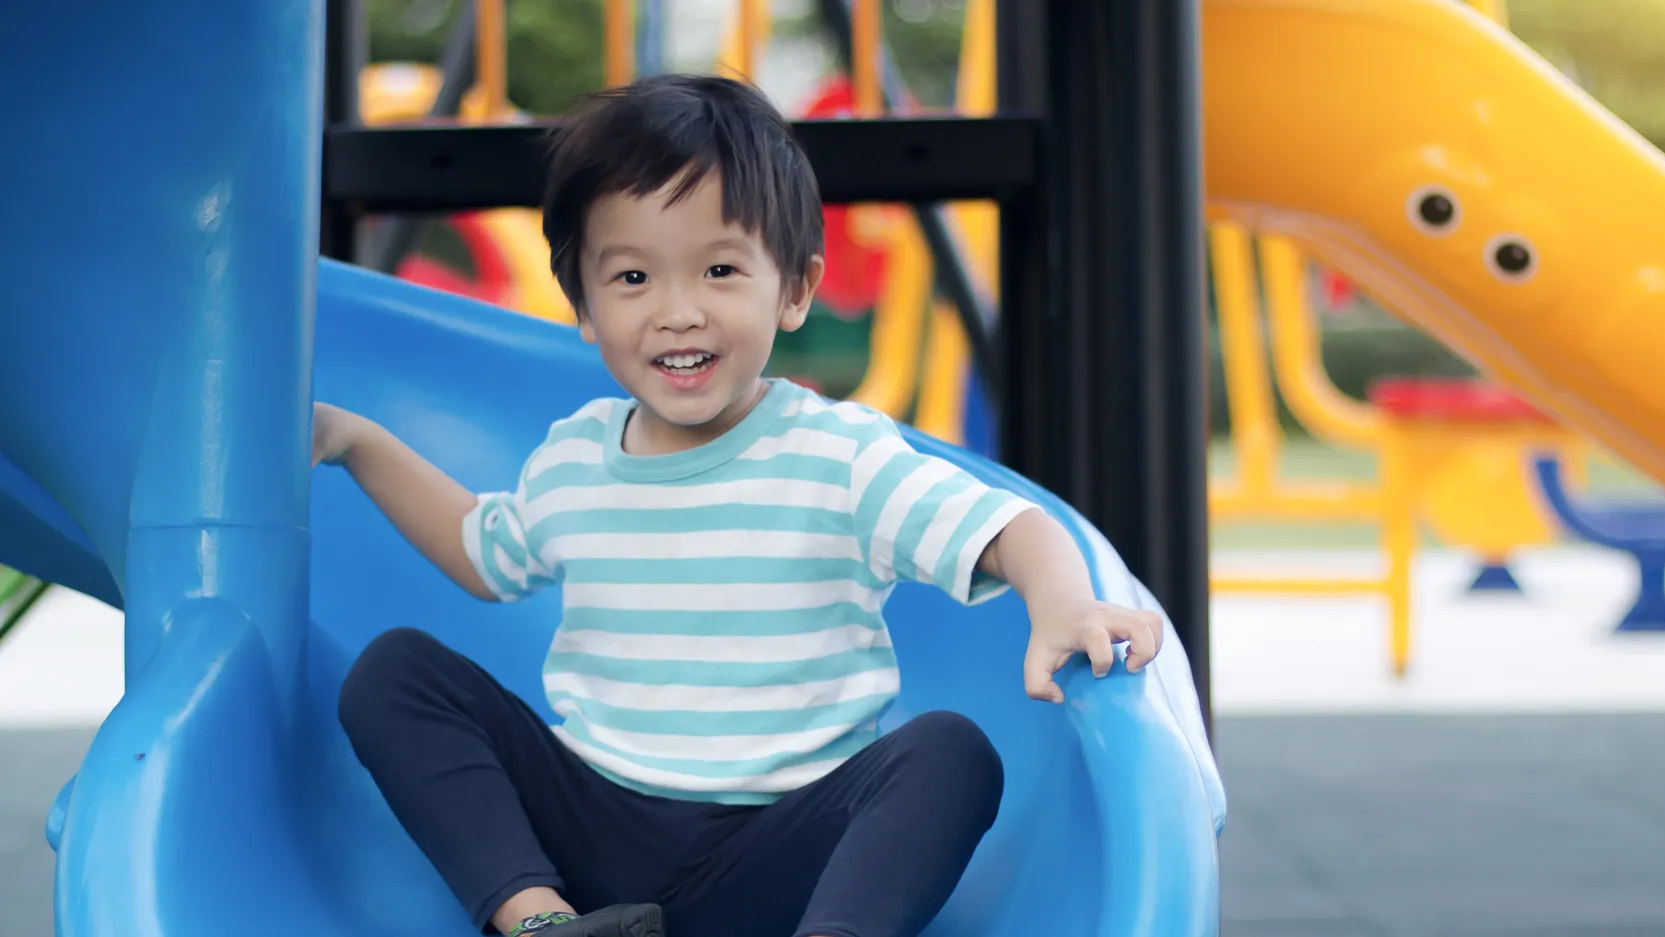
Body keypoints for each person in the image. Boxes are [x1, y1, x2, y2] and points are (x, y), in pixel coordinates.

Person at [314, 73, 1165, 937]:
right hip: (592, 831)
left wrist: (1062, 599)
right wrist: (360, 443)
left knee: (951, 752)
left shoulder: (837, 454)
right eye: (634, 276)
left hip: (782, 847)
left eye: (720, 270)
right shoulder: (574, 456)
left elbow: (1008, 525)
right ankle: (541, 923)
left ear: (794, 288)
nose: (678, 312)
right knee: (396, 672)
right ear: (583, 304)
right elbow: (480, 552)